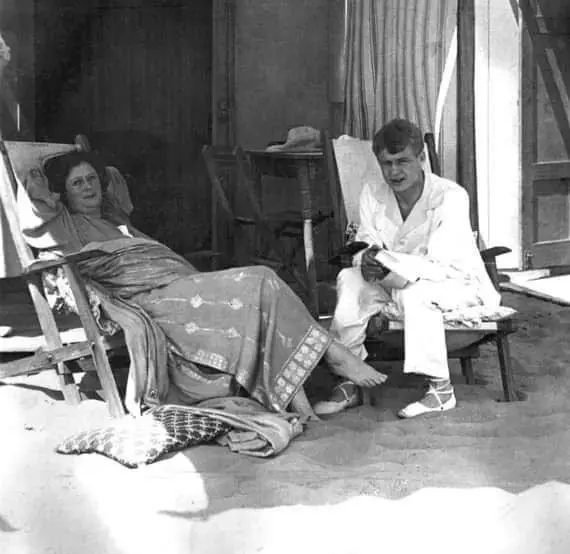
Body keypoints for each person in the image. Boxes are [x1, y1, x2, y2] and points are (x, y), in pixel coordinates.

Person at [16, 150, 386, 417]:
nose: (88, 187)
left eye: (91, 179)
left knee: (263, 281)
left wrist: (88, 166)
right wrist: (49, 184)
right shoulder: (67, 225)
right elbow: (33, 195)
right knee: (259, 279)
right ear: (63, 193)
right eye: (76, 183)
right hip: (149, 297)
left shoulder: (116, 218)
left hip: (175, 284)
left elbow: (113, 175)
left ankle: (323, 365)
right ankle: (335, 357)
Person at [314, 118, 501, 419]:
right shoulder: (373, 193)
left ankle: (441, 390)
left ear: (421, 158)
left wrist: (387, 263)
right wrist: (366, 259)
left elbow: (440, 261)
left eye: (402, 161)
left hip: (454, 284)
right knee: (349, 278)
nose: (394, 172)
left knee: (416, 292)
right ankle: (349, 378)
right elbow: (365, 240)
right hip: (394, 280)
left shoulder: (450, 196)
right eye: (386, 163)